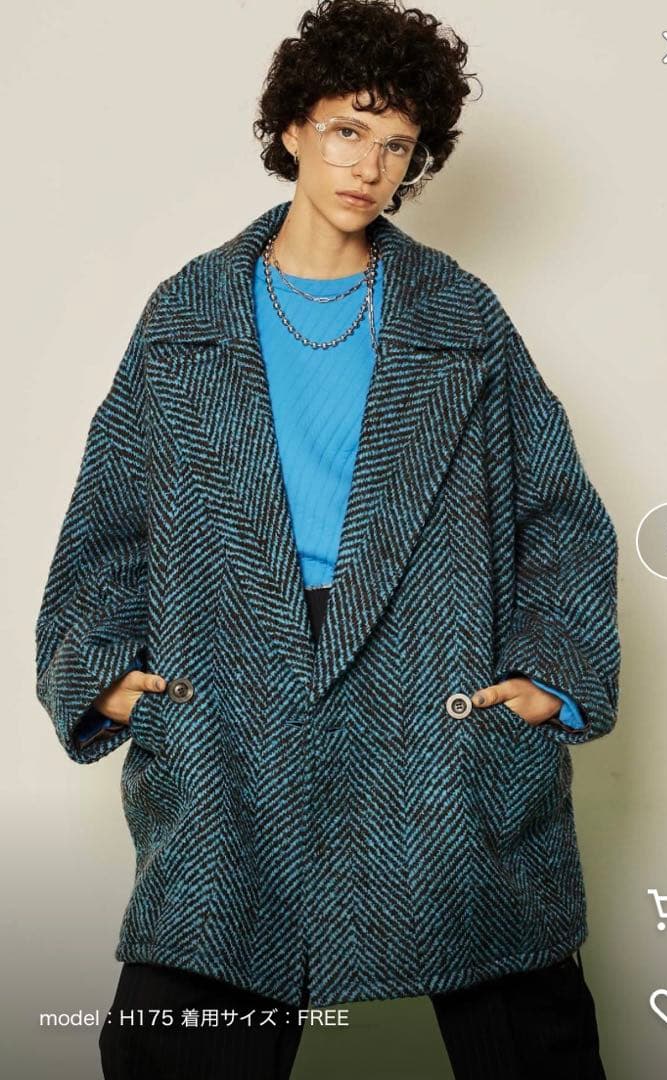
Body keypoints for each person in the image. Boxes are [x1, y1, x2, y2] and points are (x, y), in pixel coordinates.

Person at [35, 2, 619, 1077]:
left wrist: (551, 675)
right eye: (349, 129)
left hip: (432, 690)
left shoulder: (462, 318)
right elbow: (110, 521)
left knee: (524, 1026)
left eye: (397, 144)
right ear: (295, 127)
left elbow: (560, 515)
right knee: (182, 1029)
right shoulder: (187, 314)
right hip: (232, 699)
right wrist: (103, 675)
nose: (368, 165)